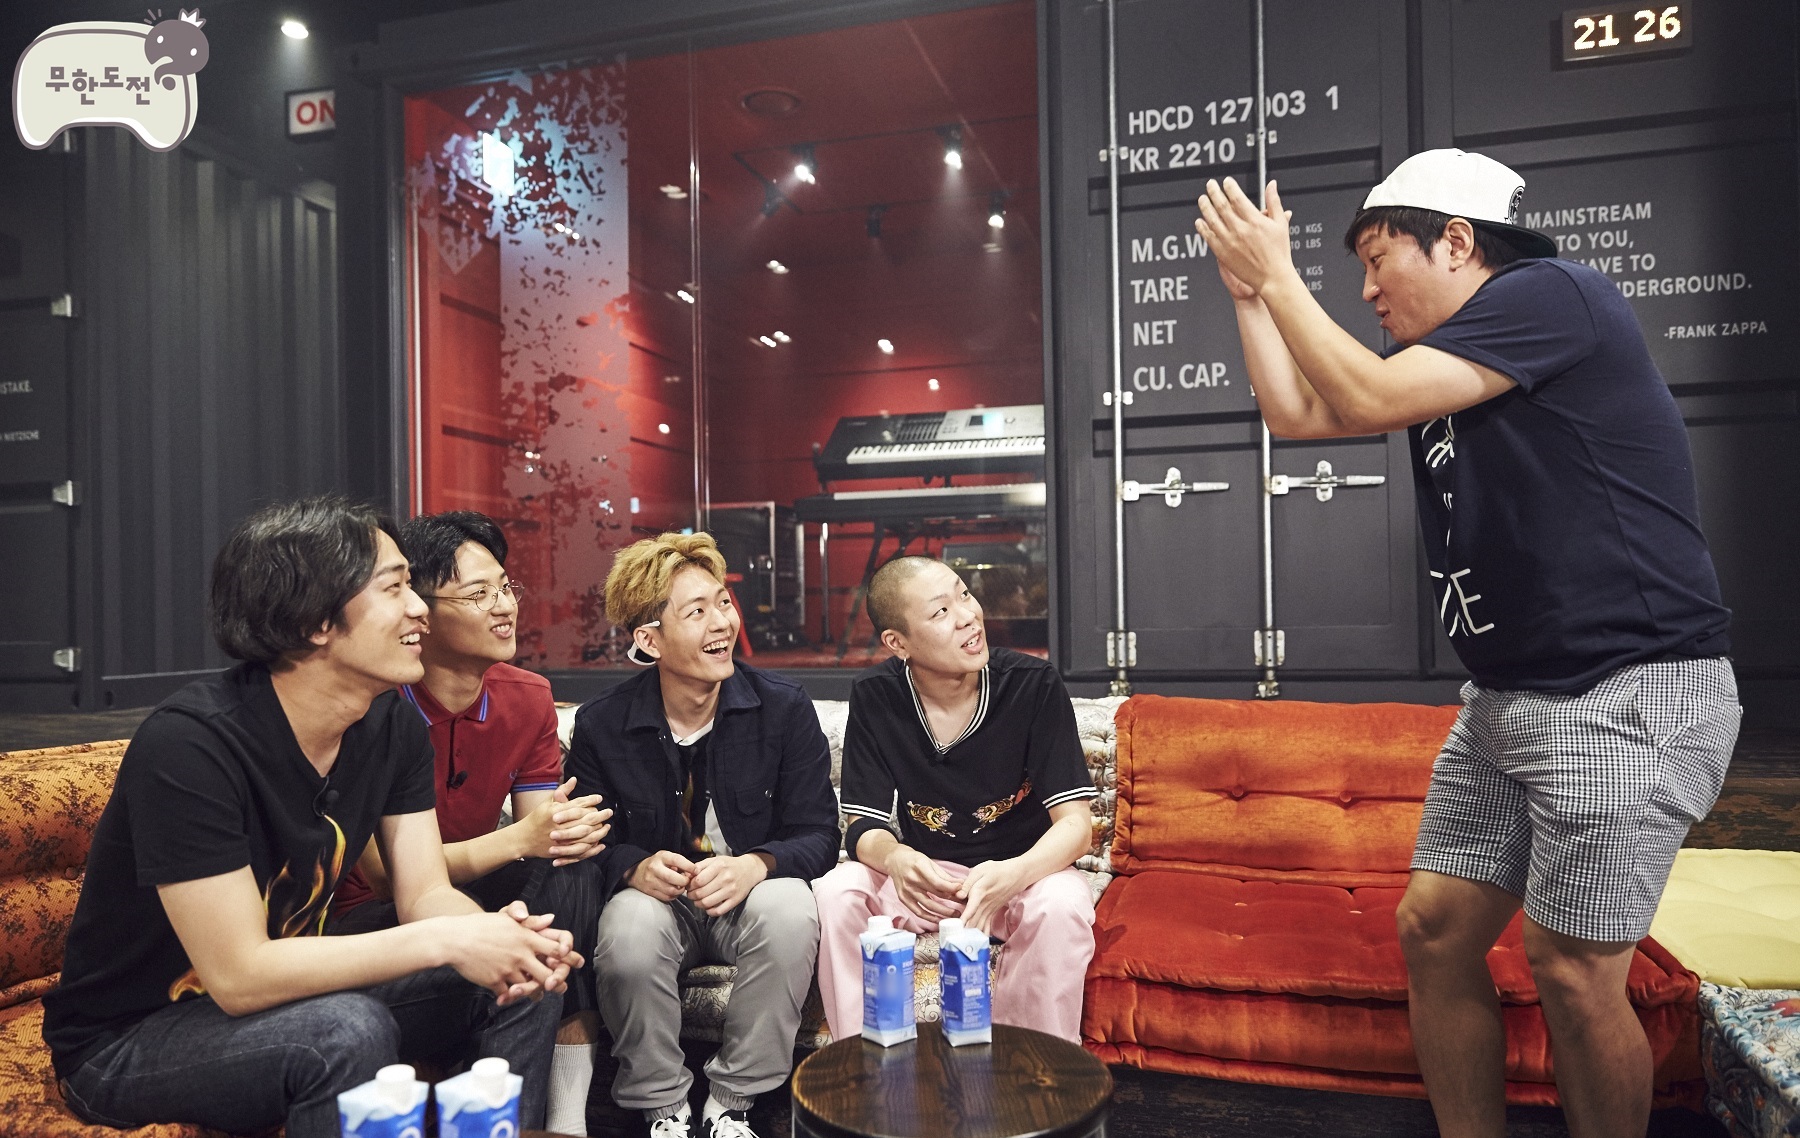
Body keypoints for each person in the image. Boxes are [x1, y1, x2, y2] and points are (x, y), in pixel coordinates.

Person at [1193, 148, 1740, 1138]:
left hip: (1625, 691)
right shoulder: (1451, 366)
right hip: (1508, 698)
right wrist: (1251, 296)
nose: (1366, 292)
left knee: (1573, 970)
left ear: (1456, 241)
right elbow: (1301, 412)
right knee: (1436, 931)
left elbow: (1361, 395)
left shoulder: (1554, 294)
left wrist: (1280, 273)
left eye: (1376, 260)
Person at [41, 497, 582, 1137]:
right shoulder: (190, 746)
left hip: (286, 996)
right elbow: (239, 976)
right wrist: (448, 941)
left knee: (524, 978)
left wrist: (498, 938)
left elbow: (424, 893)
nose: (419, 609)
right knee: (344, 1031)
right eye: (395, 588)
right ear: (316, 621)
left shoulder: (390, 725)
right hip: (132, 1037)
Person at [327, 509, 613, 1135]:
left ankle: (553, 1119)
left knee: (572, 878)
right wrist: (520, 839)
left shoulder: (528, 696)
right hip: (371, 917)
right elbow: (384, 879)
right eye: (479, 594)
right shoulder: (376, 708)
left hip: (464, 892)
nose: (505, 606)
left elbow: (542, 836)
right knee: (525, 950)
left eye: (506, 587)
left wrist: (566, 832)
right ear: (421, 613)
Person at [565, 532, 838, 1138]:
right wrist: (633, 866)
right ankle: (662, 1108)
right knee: (627, 926)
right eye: (697, 612)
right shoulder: (603, 724)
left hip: (748, 902)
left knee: (790, 906)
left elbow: (821, 834)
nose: (722, 623)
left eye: (723, 603)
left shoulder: (784, 708)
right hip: (663, 906)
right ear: (649, 640)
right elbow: (586, 840)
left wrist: (756, 865)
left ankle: (734, 1104)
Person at [813, 555, 1098, 1043]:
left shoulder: (1032, 685)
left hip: (1024, 875)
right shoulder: (876, 696)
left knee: (1062, 906)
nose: (968, 615)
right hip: (929, 882)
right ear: (898, 643)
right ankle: (861, 1063)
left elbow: (1076, 826)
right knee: (837, 891)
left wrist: (1013, 875)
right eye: (940, 611)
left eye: (964, 594)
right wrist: (897, 858)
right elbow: (863, 827)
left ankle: (1031, 1069)